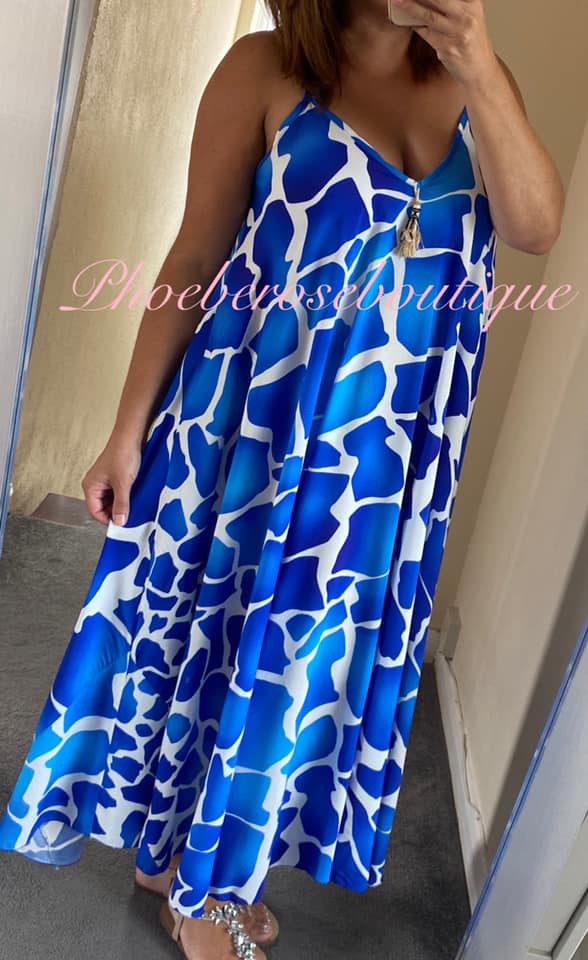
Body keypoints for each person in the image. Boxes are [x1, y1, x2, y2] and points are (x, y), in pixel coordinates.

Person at [0, 1, 564, 958]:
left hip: (385, 458)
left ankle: (187, 861)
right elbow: (194, 256)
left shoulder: (478, 80)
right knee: (218, 638)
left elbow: (536, 228)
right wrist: (125, 434)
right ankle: (207, 891)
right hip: (250, 426)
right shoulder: (266, 69)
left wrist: (475, 56)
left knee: (304, 659)